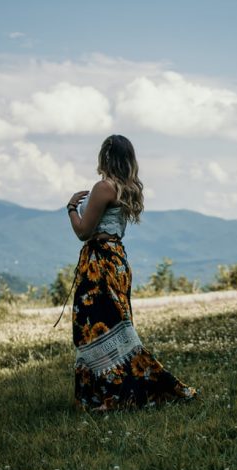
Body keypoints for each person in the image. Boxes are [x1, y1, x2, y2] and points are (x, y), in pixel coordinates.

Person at [65, 134, 198, 411]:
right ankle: (120, 393)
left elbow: (83, 232)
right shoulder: (129, 188)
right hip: (118, 261)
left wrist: (71, 209)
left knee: (92, 328)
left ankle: (110, 396)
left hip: (99, 263)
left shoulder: (103, 187)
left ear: (105, 156)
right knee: (118, 328)